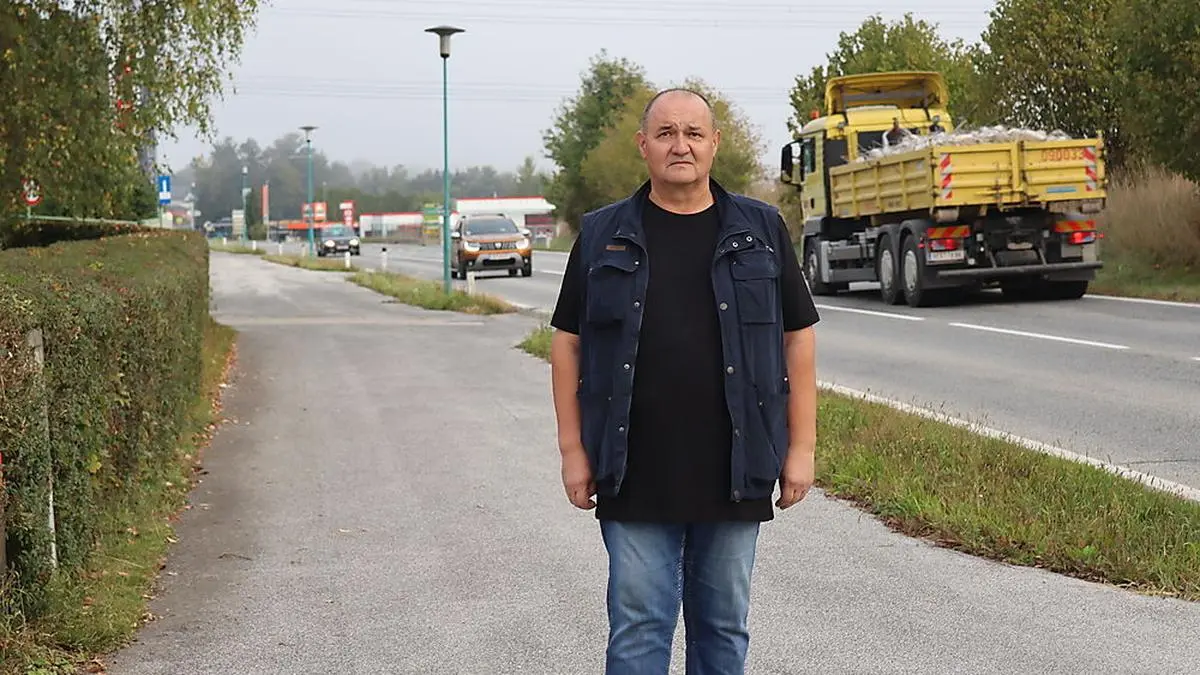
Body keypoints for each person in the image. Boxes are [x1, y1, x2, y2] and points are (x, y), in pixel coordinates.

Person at [548, 87, 821, 674]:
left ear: (714, 144)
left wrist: (800, 449)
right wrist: (573, 451)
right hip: (632, 465)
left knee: (722, 627)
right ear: (643, 145)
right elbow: (567, 342)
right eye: (666, 134)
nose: (681, 146)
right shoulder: (601, 235)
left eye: (694, 134)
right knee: (639, 627)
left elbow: (796, 337)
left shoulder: (761, 229)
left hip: (735, 465)